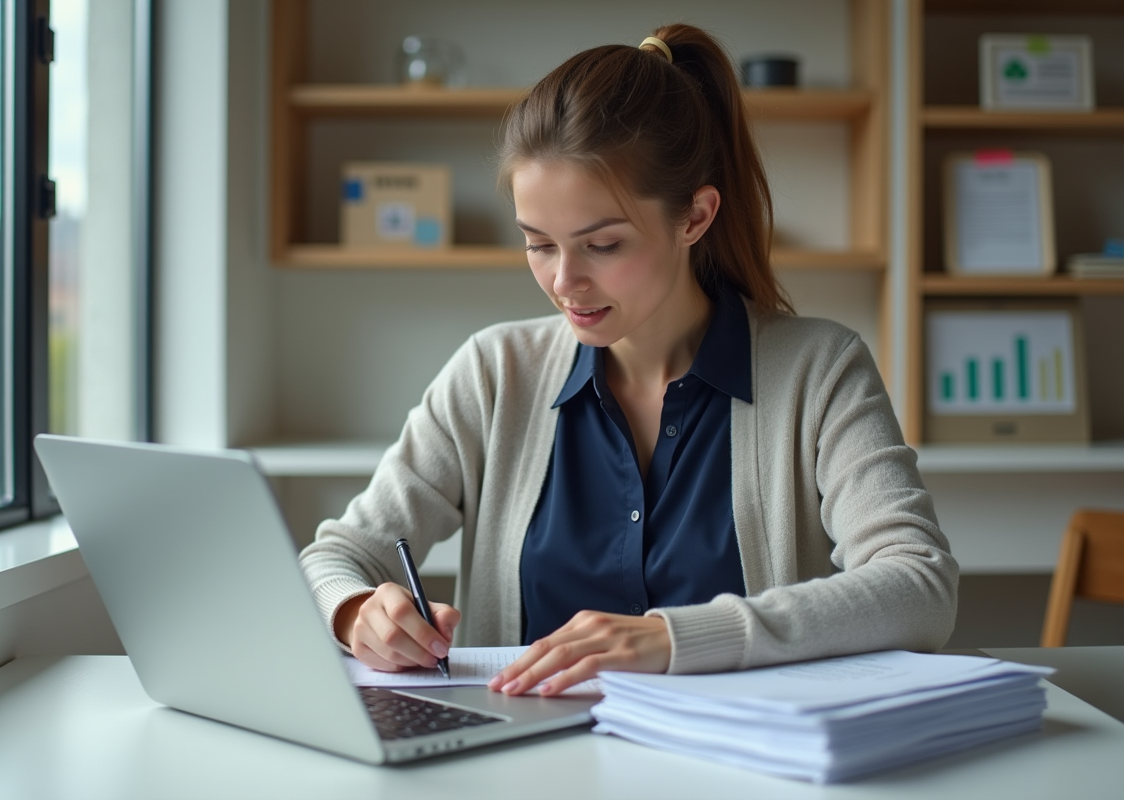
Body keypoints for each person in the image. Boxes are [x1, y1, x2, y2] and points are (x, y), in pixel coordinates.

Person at [299, 23, 958, 697]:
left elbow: (919, 585)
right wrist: (356, 613)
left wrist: (678, 639)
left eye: (602, 245)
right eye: (538, 244)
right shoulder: (495, 373)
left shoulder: (819, 370)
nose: (563, 282)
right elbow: (337, 556)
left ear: (695, 216)